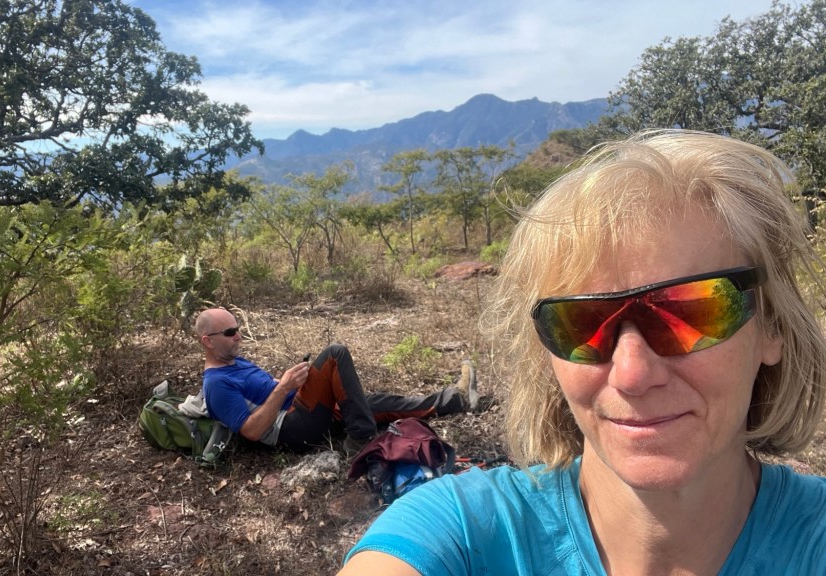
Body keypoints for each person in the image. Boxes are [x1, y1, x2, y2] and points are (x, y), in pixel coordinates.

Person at [339, 130, 826, 575]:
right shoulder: (460, 531)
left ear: (772, 326)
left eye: (692, 312)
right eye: (580, 323)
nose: (633, 374)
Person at [195, 307, 477, 455]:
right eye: (230, 332)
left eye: (237, 329)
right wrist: (284, 387)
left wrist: (298, 382)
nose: (238, 336)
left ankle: (456, 399)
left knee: (373, 403)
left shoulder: (234, 361)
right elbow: (251, 431)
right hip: (290, 430)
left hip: (301, 408)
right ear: (208, 341)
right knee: (335, 353)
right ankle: (360, 439)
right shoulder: (216, 384)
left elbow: (266, 389)